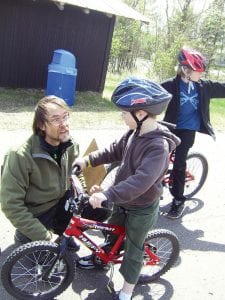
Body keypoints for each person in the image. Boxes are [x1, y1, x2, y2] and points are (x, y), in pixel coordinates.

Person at [74, 77, 180, 300]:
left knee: (133, 250)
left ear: (140, 114)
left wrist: (107, 193)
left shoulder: (158, 146)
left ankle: (127, 291)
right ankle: (102, 260)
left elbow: (141, 182)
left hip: (141, 207)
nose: (122, 116)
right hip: (123, 201)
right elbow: (113, 151)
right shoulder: (134, 133)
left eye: (124, 112)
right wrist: (87, 160)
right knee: (111, 231)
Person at [1, 96, 80, 248]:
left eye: (65, 117)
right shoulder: (20, 155)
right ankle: (26, 236)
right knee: (43, 259)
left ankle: (63, 232)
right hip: (38, 211)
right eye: (56, 119)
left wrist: (87, 190)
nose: (64, 124)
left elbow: (75, 171)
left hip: (61, 201)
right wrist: (44, 237)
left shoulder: (69, 144)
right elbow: (11, 205)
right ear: (41, 125)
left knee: (100, 210)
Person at [161, 47, 225, 219]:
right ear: (186, 70)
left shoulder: (205, 87)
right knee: (157, 156)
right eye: (199, 71)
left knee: (179, 163)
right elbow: (150, 92)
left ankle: (178, 201)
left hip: (189, 130)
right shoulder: (171, 85)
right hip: (170, 127)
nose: (201, 74)